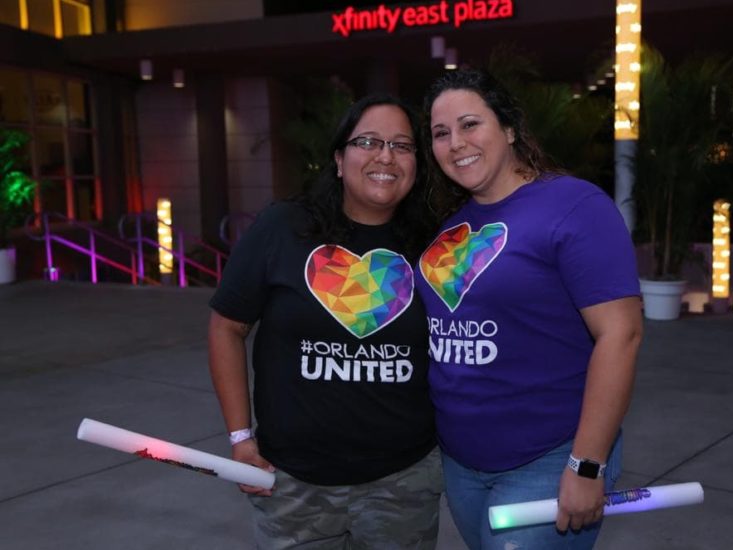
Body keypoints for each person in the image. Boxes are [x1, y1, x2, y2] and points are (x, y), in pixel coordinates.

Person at [416, 68, 643, 549]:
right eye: (441, 133)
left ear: (510, 128)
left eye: (470, 124)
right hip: (461, 462)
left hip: (548, 457)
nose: (455, 142)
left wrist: (586, 464)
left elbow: (620, 336)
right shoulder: (450, 227)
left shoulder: (574, 205)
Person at [207, 94, 442, 549]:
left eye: (402, 145)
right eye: (368, 141)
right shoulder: (283, 227)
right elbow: (226, 326)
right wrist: (240, 437)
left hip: (404, 483)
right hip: (294, 486)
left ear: (417, 164)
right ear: (338, 158)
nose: (385, 157)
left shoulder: (434, 245)